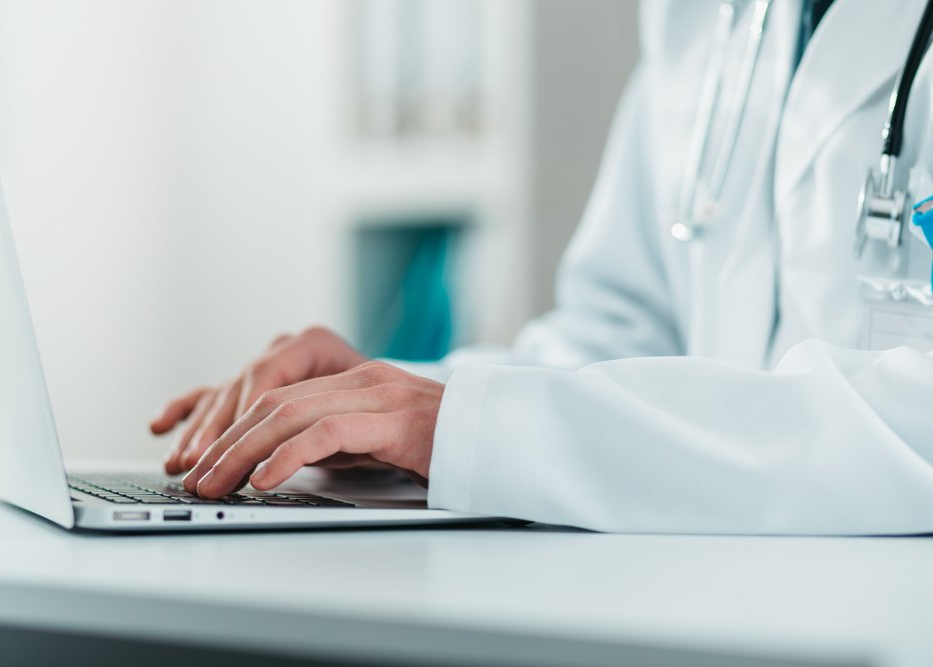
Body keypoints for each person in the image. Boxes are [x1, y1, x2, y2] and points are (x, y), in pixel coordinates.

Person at [149, 0, 933, 534]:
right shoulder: (711, 19)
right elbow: (621, 335)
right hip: (701, 597)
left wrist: (481, 428)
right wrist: (398, 400)